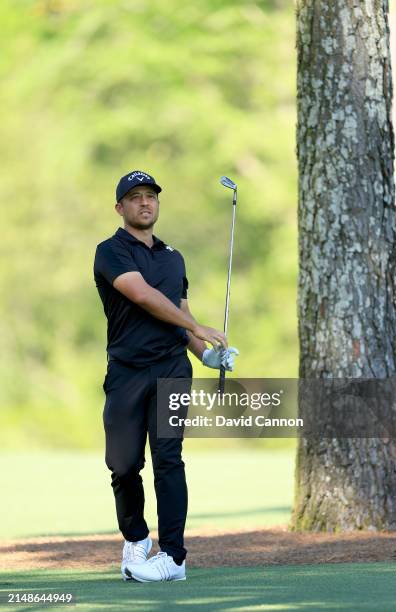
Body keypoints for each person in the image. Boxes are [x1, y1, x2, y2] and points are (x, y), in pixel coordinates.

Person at [93, 170, 239, 582]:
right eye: (135, 197)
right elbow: (143, 297)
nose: (145, 203)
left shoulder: (173, 257)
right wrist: (199, 329)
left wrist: (206, 354)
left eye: (151, 196)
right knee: (122, 464)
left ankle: (173, 557)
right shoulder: (110, 252)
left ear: (158, 204)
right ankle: (136, 538)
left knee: (169, 459)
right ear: (120, 207)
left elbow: (180, 313)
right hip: (126, 370)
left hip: (173, 369)